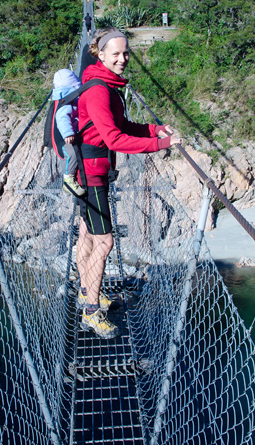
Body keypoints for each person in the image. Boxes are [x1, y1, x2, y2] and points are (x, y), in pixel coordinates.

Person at [74, 28, 180, 338]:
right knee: (104, 242)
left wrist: (152, 130)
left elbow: (120, 125)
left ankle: (85, 291)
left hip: (90, 168)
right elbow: (115, 138)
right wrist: (162, 145)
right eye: (116, 54)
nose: (123, 59)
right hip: (92, 172)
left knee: (88, 234)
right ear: (101, 55)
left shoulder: (107, 84)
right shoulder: (98, 89)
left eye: (126, 53)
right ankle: (91, 312)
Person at [51, 69, 85, 197]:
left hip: (74, 134)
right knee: (72, 154)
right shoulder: (66, 102)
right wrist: (68, 133)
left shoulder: (70, 99)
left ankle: (73, 177)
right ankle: (68, 180)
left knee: (76, 153)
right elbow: (62, 118)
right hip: (66, 139)